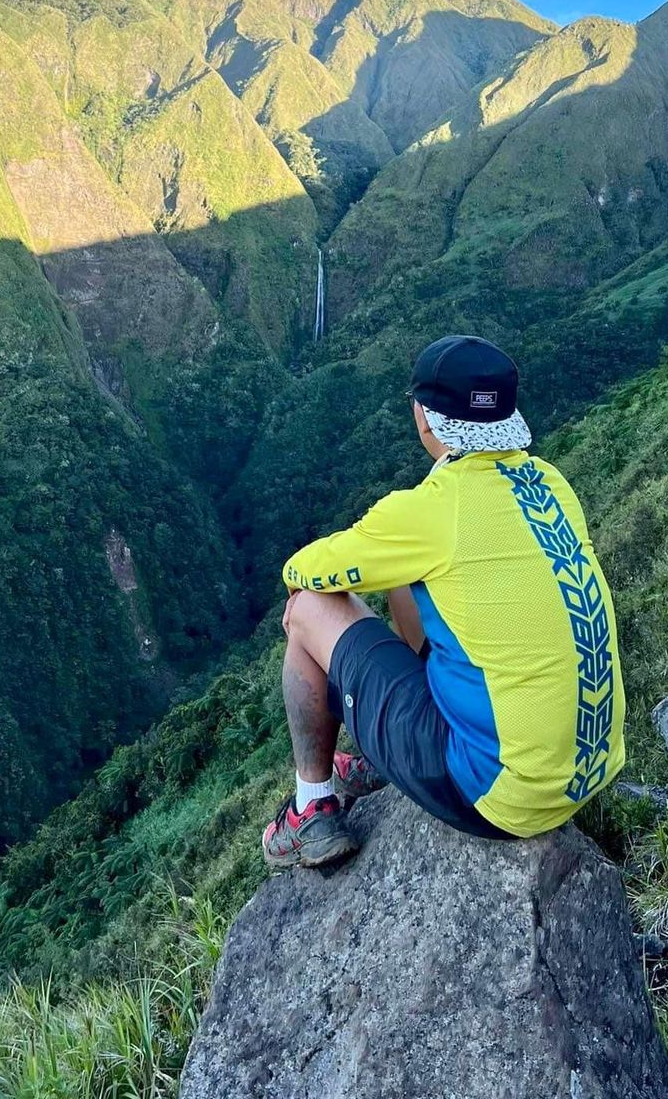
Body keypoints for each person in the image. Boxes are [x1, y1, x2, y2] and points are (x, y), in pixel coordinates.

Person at [262, 333, 626, 868]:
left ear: (425, 418)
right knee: (408, 576)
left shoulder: (429, 510)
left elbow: (303, 572)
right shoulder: (553, 484)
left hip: (499, 796)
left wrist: (310, 581)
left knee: (306, 610)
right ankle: (390, 752)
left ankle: (310, 810)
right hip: (587, 769)